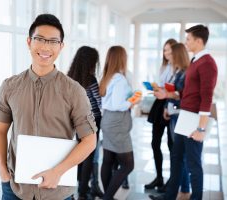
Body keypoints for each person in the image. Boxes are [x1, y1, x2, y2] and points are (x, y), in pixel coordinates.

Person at [0, 14, 97, 200]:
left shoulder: (74, 91)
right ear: (29, 42)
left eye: (53, 41)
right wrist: (3, 173)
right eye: (39, 39)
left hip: (58, 191)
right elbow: (0, 131)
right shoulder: (10, 86)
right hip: (15, 189)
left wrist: (58, 171)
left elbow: (89, 140)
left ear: (61, 46)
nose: (46, 47)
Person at [149, 24, 218, 200]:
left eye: (188, 39)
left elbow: (206, 97)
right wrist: (166, 94)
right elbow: (185, 92)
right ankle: (169, 196)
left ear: (199, 41)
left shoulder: (207, 63)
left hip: (194, 120)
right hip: (184, 117)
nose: (185, 42)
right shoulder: (195, 61)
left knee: (193, 164)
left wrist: (201, 129)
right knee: (176, 157)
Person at [99, 46, 141, 200]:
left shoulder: (107, 76)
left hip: (108, 119)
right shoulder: (120, 79)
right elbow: (118, 104)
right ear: (121, 59)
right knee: (128, 165)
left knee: (108, 160)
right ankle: (107, 197)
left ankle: (108, 196)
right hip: (117, 122)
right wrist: (132, 102)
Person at [151, 43, 191, 200]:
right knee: (177, 154)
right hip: (173, 113)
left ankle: (179, 191)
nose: (168, 55)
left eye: (171, 52)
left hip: (181, 115)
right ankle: (180, 190)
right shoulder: (178, 71)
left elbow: (182, 95)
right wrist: (168, 108)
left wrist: (167, 96)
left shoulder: (184, 73)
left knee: (179, 155)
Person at [67, 46, 103, 200]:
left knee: (77, 153)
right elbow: (99, 102)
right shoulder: (91, 80)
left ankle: (75, 188)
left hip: (75, 121)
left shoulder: (69, 78)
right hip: (92, 120)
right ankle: (83, 190)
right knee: (88, 154)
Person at [145, 39, 177, 191]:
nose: (167, 53)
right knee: (155, 143)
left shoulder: (178, 68)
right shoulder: (164, 66)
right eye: (165, 50)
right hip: (160, 104)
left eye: (170, 50)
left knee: (172, 146)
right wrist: (156, 88)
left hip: (170, 105)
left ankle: (173, 180)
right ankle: (159, 178)